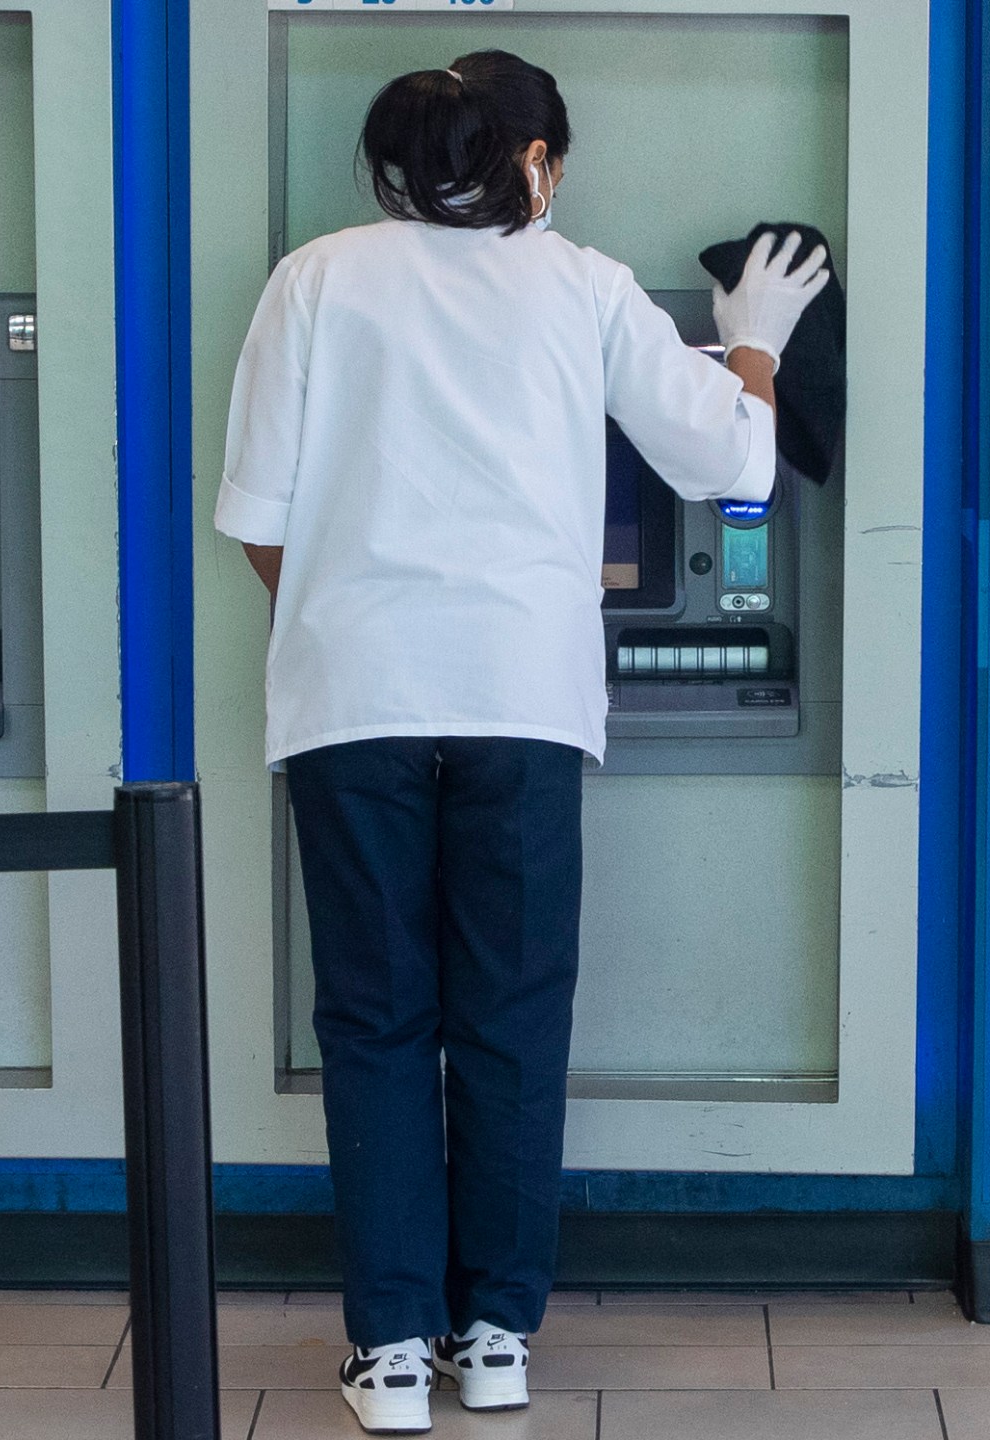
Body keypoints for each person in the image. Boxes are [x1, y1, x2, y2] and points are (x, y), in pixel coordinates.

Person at [214, 51, 827, 1436]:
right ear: (539, 161)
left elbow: (258, 517)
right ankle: (494, 1340)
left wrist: (349, 624)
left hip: (352, 704)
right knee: (510, 1018)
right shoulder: (586, 287)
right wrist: (755, 341)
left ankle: (387, 1357)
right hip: (527, 704)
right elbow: (734, 462)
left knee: (373, 1022)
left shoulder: (315, 279)